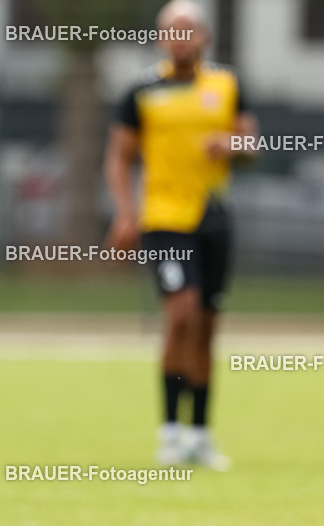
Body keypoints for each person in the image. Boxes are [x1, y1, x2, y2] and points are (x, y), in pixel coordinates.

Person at [104, 1, 258, 470]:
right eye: (171, 30)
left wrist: (232, 144)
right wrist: (126, 213)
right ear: (159, 37)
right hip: (166, 218)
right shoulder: (141, 91)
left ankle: (200, 433)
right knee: (181, 313)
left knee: (208, 325)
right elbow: (119, 157)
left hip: (214, 218)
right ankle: (169, 431)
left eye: (188, 29)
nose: (180, 37)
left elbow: (251, 142)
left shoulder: (227, 85)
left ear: (205, 37)